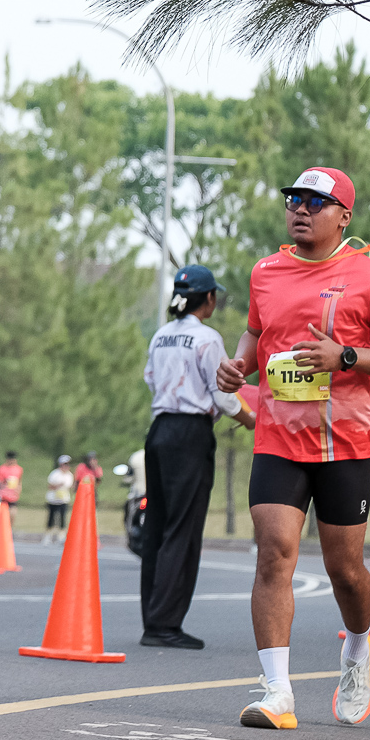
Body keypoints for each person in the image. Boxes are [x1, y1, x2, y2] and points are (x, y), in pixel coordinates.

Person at [216, 167, 370, 730]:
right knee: (274, 552)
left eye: (315, 202)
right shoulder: (266, 272)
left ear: (343, 216)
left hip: (347, 440)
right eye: (294, 200)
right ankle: (276, 692)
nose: (300, 209)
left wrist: (345, 357)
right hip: (279, 435)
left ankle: (357, 646)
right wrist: (239, 365)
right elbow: (256, 334)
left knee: (344, 570)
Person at [138, 264, 257, 650]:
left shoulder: (161, 335)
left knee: (158, 526)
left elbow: (151, 379)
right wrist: (251, 419)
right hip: (190, 434)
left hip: (159, 430)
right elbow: (223, 394)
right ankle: (166, 624)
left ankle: (152, 619)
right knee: (183, 528)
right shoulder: (207, 338)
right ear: (208, 298)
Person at [44, 454, 74, 544]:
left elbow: (70, 486)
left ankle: (61, 536)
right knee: (51, 518)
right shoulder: (55, 474)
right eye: (65, 464)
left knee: (62, 518)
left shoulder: (69, 475)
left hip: (63, 499)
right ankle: (48, 536)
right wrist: (58, 485)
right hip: (53, 499)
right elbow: (50, 486)